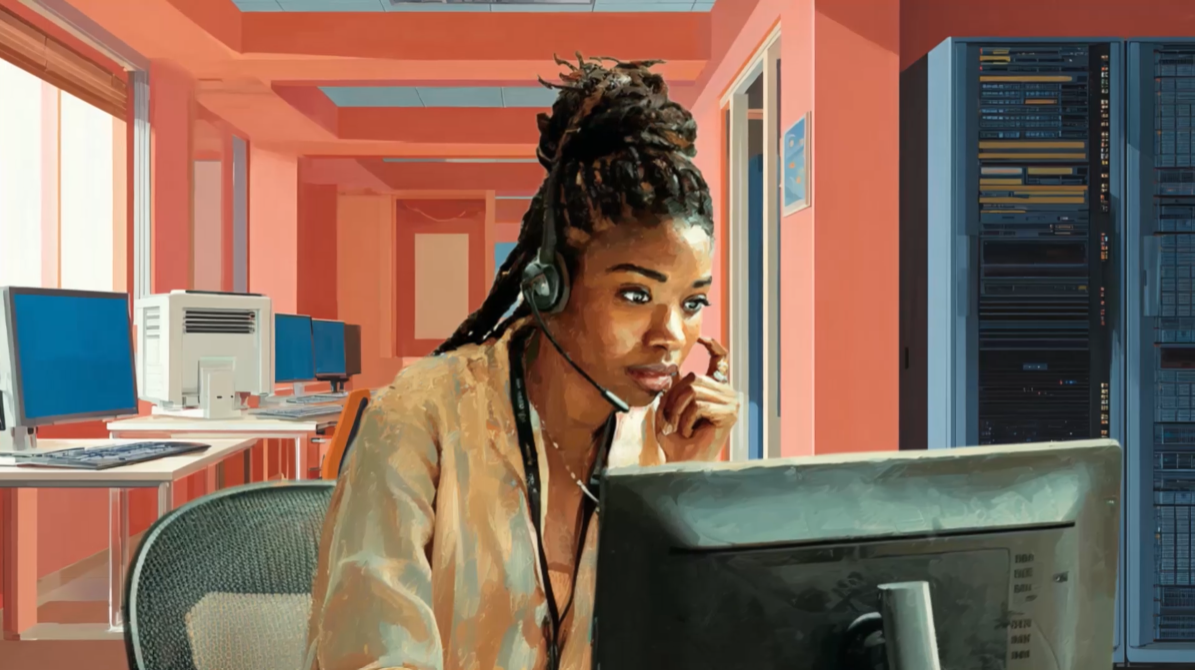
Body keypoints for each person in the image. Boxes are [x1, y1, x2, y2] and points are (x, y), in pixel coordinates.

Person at [304, 56, 740, 670]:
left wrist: (684, 488)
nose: (671, 336)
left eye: (692, 301)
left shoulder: (654, 441)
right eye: (636, 295)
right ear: (549, 287)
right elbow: (370, 654)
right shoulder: (420, 417)